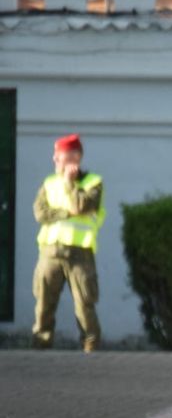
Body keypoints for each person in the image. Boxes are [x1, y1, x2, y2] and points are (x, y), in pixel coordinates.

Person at [31, 134, 105, 351]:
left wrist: (70, 184)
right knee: (44, 303)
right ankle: (40, 346)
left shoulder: (93, 183)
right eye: (55, 156)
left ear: (75, 157)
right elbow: (40, 213)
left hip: (79, 253)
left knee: (84, 304)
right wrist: (66, 213)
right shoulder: (49, 183)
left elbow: (82, 207)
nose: (55, 160)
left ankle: (90, 345)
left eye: (60, 156)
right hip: (50, 252)